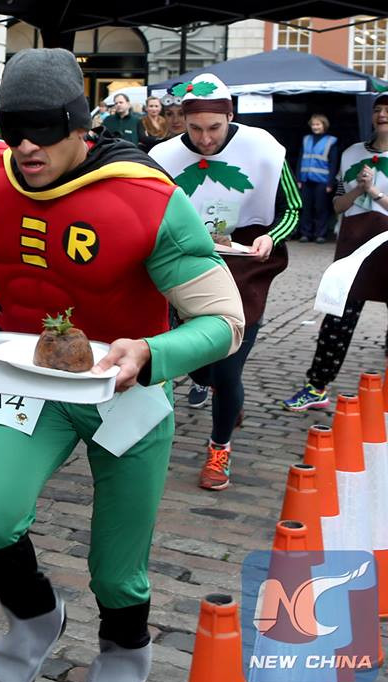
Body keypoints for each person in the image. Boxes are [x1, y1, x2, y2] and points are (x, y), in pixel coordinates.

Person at [0, 48, 244, 682]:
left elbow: (224, 321)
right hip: (28, 377)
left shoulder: (147, 199)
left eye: (45, 128)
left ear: (83, 125)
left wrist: (150, 354)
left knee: (116, 569)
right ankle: (33, 623)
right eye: (12, 126)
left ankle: (126, 656)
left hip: (124, 389)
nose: (26, 145)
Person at [150, 73, 300, 491]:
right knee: (201, 368)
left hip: (247, 262)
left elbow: (293, 207)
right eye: (194, 128)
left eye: (214, 128)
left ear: (230, 116)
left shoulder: (265, 149)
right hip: (190, 260)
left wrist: (273, 235)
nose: (204, 138)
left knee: (229, 361)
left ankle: (220, 446)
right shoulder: (162, 154)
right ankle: (216, 388)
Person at [283, 95, 388, 412]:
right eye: (378, 110)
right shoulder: (353, 153)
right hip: (355, 242)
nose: (382, 114)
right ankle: (316, 386)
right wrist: (358, 189)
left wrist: (375, 193)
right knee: (338, 315)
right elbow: (338, 205)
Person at [296, 114, 338, 243]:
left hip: (323, 180)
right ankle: (305, 234)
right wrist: (298, 178)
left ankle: (320, 234)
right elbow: (300, 160)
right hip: (306, 179)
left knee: (321, 208)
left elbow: (333, 163)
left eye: (318, 124)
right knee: (306, 208)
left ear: (324, 125)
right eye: (313, 124)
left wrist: (330, 182)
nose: (315, 127)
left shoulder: (331, 141)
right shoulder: (306, 139)